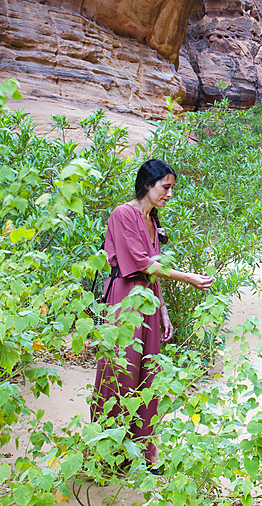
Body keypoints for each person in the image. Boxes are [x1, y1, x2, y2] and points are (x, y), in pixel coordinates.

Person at [90, 159, 213, 469]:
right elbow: (143, 266)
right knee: (119, 374)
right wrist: (189, 277)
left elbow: (152, 274)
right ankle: (108, 456)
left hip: (147, 304)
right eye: (165, 187)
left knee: (148, 377)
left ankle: (142, 454)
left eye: (172, 188)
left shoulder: (152, 222)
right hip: (124, 302)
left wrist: (163, 311)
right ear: (148, 184)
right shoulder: (124, 214)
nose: (169, 194)